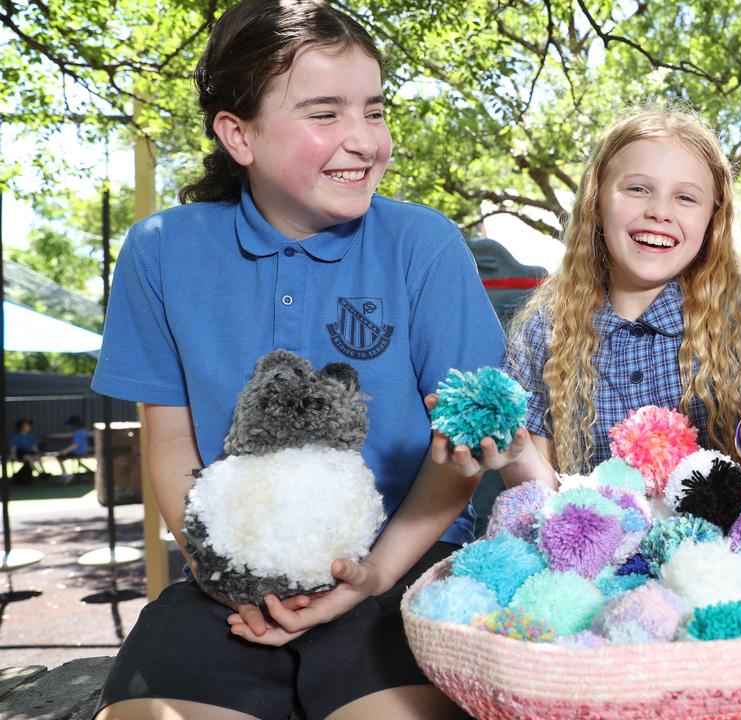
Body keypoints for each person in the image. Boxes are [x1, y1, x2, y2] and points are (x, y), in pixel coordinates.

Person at [89, 0, 504, 717]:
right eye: (324, 114)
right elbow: (170, 443)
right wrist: (221, 574)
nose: (364, 140)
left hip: (402, 575)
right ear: (238, 134)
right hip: (230, 582)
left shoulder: (426, 246)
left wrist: (374, 573)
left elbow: (459, 459)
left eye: (373, 111)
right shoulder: (159, 251)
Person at [431, 108, 741, 492]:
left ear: (711, 220)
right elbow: (542, 494)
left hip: (716, 552)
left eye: (686, 198)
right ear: (597, 203)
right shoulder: (544, 327)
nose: (659, 212)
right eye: (637, 189)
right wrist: (513, 451)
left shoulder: (739, 306)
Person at [53, 415, 91, 484]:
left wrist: (65, 451)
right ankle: (66, 474)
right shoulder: (83, 431)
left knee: (59, 457)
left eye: (70, 425)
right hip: (83, 451)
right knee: (62, 455)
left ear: (74, 425)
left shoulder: (77, 432)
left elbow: (76, 444)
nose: (69, 427)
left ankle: (65, 474)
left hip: (78, 452)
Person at [9, 419, 42, 485]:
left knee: (31, 459)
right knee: (28, 458)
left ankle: (39, 473)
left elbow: (34, 448)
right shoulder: (16, 437)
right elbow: (13, 449)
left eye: (29, 426)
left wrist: (38, 454)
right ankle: (40, 473)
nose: (29, 427)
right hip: (20, 453)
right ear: (22, 427)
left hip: (29, 454)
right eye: (27, 426)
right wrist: (13, 456)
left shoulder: (31, 437)